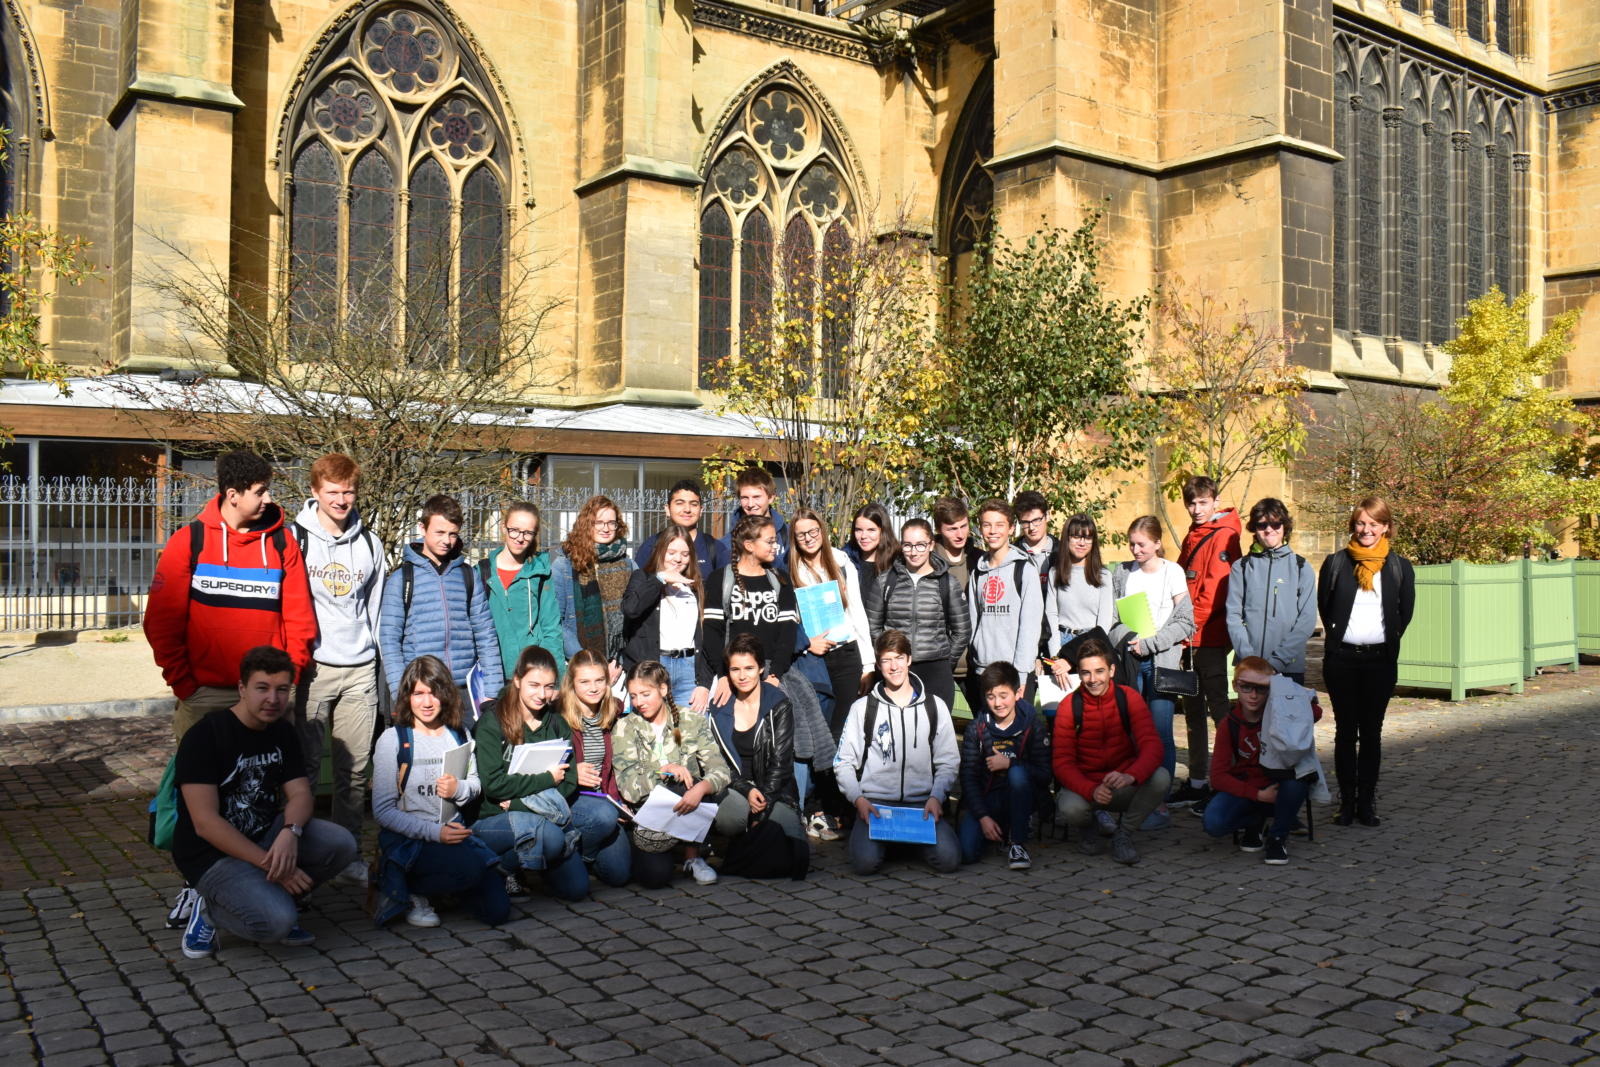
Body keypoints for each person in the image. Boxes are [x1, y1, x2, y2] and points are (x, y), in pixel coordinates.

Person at [172, 646, 359, 959]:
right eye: (262, 688)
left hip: (265, 834)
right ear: (242, 689)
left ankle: (275, 893)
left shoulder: (281, 732)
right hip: (212, 855)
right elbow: (205, 824)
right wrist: (273, 866)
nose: (273, 699)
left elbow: (301, 794)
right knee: (277, 923)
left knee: (341, 843)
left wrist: (291, 832)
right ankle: (210, 910)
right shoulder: (205, 736)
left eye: (282, 689)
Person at [145, 449, 316, 743]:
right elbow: (162, 622)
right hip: (205, 695)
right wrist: (185, 685)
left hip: (267, 694)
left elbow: (300, 619)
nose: (269, 499)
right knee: (202, 773)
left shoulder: (281, 543)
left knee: (269, 771)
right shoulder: (189, 541)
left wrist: (289, 679)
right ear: (233, 495)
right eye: (260, 492)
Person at [290, 452, 384, 890]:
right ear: (315, 492)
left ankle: (348, 854)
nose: (341, 500)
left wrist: (376, 657)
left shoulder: (370, 543)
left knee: (355, 772)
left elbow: (375, 609)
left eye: (348, 492)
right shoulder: (295, 539)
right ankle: (300, 857)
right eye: (332, 492)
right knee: (305, 771)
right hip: (313, 670)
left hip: (360, 669)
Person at [371, 655, 508, 928]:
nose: (427, 702)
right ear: (407, 697)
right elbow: (383, 811)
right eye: (418, 694)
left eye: (434, 693)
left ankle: (447, 888)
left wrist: (460, 789)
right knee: (469, 868)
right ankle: (406, 887)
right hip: (411, 840)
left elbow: (475, 783)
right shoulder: (393, 740)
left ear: (445, 694)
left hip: (454, 831)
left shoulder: (459, 733)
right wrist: (436, 833)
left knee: (497, 911)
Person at [1317, 496, 1415, 828]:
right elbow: (1326, 607)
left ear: (1386, 527)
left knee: (1371, 733)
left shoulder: (1399, 567)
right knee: (1345, 732)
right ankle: (1346, 801)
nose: (1366, 530)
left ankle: (1367, 801)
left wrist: (1383, 642)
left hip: (1379, 662)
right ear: (1353, 525)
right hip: (1342, 660)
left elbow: (1404, 613)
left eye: (1374, 523)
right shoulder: (1336, 563)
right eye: (1361, 523)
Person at [834, 630, 961, 876]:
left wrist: (936, 797)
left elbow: (948, 762)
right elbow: (843, 762)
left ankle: (905, 843)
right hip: (876, 806)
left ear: (909, 659)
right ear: (878, 665)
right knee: (864, 864)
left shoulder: (935, 706)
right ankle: (891, 844)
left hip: (922, 805)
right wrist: (859, 800)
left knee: (949, 859)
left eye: (899, 658)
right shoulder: (863, 708)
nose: (894, 667)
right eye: (886, 660)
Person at [472, 646, 590, 901]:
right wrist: (547, 779)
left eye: (549, 687)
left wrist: (521, 803)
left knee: (577, 889)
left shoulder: (556, 722)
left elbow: (569, 780)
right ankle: (503, 868)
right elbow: (493, 784)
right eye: (534, 685)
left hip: (537, 810)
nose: (542, 694)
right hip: (495, 816)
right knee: (551, 838)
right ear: (517, 680)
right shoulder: (492, 722)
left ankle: (537, 863)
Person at [377, 494, 499, 720]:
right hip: (422, 692)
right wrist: (401, 693)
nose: (447, 540)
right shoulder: (402, 579)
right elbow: (390, 641)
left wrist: (492, 690)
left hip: (463, 693)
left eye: (453, 534)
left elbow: (485, 634)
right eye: (440, 532)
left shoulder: (467, 576)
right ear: (422, 528)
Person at [1051, 638, 1170, 866]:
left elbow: (1152, 746)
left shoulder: (1129, 697)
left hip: (1123, 783)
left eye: (1099, 671)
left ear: (1112, 671)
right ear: (1079, 674)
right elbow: (1062, 763)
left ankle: (1123, 834)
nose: (1093, 679)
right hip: (1087, 787)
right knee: (1069, 806)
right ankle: (1089, 828)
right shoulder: (1068, 705)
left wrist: (1131, 775)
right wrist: (1091, 789)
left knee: (1161, 777)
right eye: (1086, 673)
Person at [613, 660, 733, 888]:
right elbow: (628, 788)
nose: (639, 702)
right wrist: (662, 772)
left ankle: (692, 857)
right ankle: (666, 850)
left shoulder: (691, 720)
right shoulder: (625, 727)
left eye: (645, 694)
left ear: (663, 689)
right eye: (634, 696)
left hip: (688, 801)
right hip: (648, 813)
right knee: (655, 877)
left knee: (690, 782)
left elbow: (720, 770)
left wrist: (702, 788)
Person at [1108, 516, 1194, 829]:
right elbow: (1112, 620)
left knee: (1160, 732)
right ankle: (1134, 794)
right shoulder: (1122, 572)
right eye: (1131, 544)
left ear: (1157, 543)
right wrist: (1128, 638)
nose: (1135, 550)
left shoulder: (1173, 572)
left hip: (1162, 662)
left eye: (1141, 544)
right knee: (1132, 732)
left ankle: (1159, 800)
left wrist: (1151, 644)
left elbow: (1186, 622)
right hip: (1131, 662)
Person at [1202, 657, 1316, 865]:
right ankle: (1255, 822)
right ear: (1235, 686)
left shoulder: (1281, 714)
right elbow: (1217, 777)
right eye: (1246, 687)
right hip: (1250, 788)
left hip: (1279, 785)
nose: (1253, 695)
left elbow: (1315, 711)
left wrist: (1279, 687)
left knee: (1298, 777)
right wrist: (1258, 795)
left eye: (1261, 688)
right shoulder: (1229, 724)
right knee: (1213, 823)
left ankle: (1277, 838)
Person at [1172, 476, 1242, 814]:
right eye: (1191, 503)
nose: (1196, 509)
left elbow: (1214, 592)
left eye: (1202, 502)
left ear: (1215, 500)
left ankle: (1228, 782)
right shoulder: (1195, 533)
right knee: (1193, 713)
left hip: (1208, 639)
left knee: (1219, 712)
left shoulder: (1224, 534)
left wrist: (1184, 628)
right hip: (1189, 639)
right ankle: (1198, 781)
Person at [865, 518, 970, 716]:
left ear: (931, 545)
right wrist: (890, 658)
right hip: (895, 670)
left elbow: (962, 630)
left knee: (934, 729)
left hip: (935, 672)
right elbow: (873, 626)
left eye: (920, 545)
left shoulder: (948, 583)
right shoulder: (885, 582)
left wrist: (945, 661)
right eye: (907, 545)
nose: (914, 552)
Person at [706, 634, 803, 842]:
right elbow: (718, 762)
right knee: (732, 819)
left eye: (749, 668)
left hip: (773, 788)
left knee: (791, 841)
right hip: (735, 785)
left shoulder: (778, 703)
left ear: (760, 668)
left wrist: (762, 805)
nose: (742, 676)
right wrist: (747, 790)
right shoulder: (718, 708)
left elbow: (781, 763)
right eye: (735, 669)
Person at [957, 662, 1051, 871]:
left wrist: (1010, 763)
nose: (998, 703)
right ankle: (999, 829)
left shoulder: (1033, 726)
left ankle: (1017, 843)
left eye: (1003, 695)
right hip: (988, 798)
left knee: (1017, 773)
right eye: (991, 697)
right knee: (966, 852)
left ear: (1018, 694)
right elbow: (968, 778)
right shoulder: (976, 728)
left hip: (1024, 797)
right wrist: (983, 817)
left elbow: (1045, 775)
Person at [789, 507, 873, 723]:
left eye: (813, 531)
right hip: (813, 659)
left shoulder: (841, 562)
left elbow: (857, 614)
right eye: (801, 534)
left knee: (845, 726)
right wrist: (807, 644)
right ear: (794, 538)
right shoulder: (789, 569)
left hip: (846, 655)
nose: (808, 538)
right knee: (818, 726)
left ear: (822, 530)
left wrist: (868, 666)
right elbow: (790, 620)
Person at [558, 649, 633, 888]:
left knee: (619, 874)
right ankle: (567, 856)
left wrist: (619, 801)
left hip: (605, 802)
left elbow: (615, 768)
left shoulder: (614, 712)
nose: (593, 688)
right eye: (585, 682)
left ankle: (585, 855)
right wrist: (572, 773)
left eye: (599, 680)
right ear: (572, 683)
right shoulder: (557, 717)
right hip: (570, 801)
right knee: (603, 816)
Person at [965, 498, 1044, 713]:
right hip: (983, 671)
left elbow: (1030, 627)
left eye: (999, 525)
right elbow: (973, 620)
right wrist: (977, 657)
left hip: (1014, 673)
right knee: (987, 732)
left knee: (1018, 733)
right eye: (987, 525)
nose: (993, 531)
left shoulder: (1025, 570)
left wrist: (1021, 675)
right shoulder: (978, 572)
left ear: (1010, 528)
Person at [1226, 498, 1317, 685]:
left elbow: (1307, 620)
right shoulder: (1241, 567)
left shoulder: (1301, 566)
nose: (1269, 530)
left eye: (1275, 524)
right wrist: (1250, 660)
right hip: (1249, 667)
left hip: (1288, 667)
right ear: (1254, 528)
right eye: (1262, 525)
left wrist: (1277, 662)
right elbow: (1233, 616)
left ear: (1284, 526)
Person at [622, 524, 707, 710]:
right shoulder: (643, 578)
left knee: (692, 727)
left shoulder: (695, 586)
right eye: (671, 552)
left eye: (685, 554)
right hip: (654, 667)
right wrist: (660, 579)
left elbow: (705, 636)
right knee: (649, 726)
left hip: (688, 670)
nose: (678, 559)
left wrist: (704, 683)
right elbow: (631, 608)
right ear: (660, 551)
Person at [552, 495, 638, 674]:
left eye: (611, 523)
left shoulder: (628, 564)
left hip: (619, 666)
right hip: (580, 665)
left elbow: (638, 618)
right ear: (587, 524)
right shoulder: (564, 565)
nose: (605, 528)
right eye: (599, 522)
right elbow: (556, 621)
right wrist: (587, 661)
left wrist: (620, 660)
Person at [481, 500, 563, 681]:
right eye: (515, 530)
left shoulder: (541, 573)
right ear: (504, 528)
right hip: (493, 674)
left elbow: (551, 629)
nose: (520, 538)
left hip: (532, 674)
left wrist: (556, 681)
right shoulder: (481, 572)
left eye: (527, 533)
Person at [1044, 512, 1116, 691]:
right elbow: (1051, 615)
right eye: (1076, 536)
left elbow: (1104, 623)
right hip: (1061, 643)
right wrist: (1056, 658)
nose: (1082, 543)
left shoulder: (1104, 576)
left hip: (1092, 645)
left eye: (1087, 538)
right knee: (1061, 704)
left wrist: (1072, 658)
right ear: (1067, 538)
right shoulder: (1055, 573)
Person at [933, 496, 983, 703]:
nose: (960, 534)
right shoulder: (928, 562)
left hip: (975, 662)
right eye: (952, 529)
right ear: (938, 529)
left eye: (963, 526)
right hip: (939, 661)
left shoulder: (981, 560)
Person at [633, 478, 729, 576]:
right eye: (679, 503)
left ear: (701, 511)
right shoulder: (651, 547)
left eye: (693, 504)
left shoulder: (716, 548)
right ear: (667, 509)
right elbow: (638, 583)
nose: (687, 509)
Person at [718, 467, 789, 571]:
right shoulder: (725, 544)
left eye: (756, 497)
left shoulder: (788, 536)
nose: (750, 504)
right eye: (745, 498)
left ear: (771, 498)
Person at [842, 503, 899, 595]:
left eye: (871, 530)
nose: (863, 536)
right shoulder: (843, 560)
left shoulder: (898, 562)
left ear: (883, 531)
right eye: (858, 530)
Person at [1012, 490, 1057, 591]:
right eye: (1025, 522)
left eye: (1036, 520)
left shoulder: (1063, 552)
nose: (1032, 527)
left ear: (1047, 516)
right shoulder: (1012, 556)